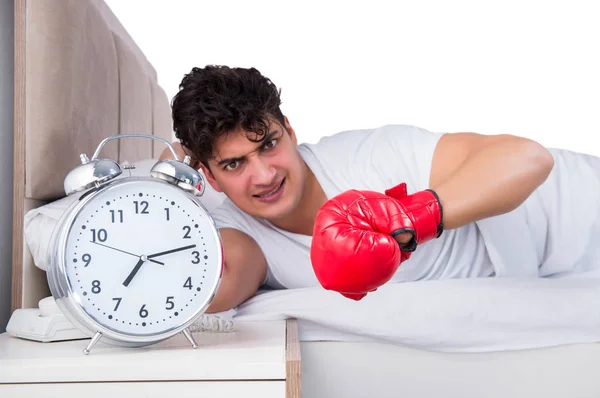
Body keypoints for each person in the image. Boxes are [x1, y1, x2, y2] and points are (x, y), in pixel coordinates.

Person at [159, 65, 559, 312]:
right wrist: (168, 180)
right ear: (210, 177)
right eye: (234, 164)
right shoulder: (242, 237)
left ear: (291, 131)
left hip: (562, 200)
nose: (264, 175)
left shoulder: (368, 156)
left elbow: (529, 158)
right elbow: (206, 289)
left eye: (268, 145)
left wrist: (409, 221)